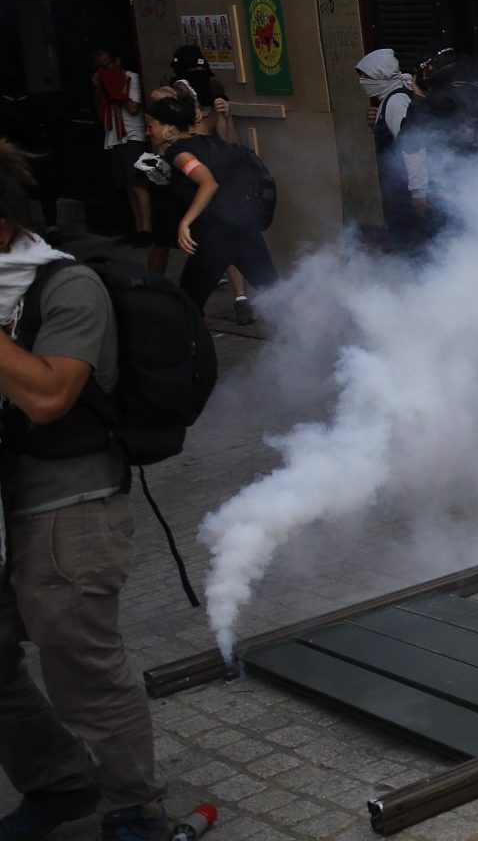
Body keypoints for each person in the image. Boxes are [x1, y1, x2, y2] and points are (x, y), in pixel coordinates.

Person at [0, 142, 173, 841]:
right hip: (4, 506)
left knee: (81, 669)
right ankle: (59, 782)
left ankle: (136, 808)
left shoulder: (66, 286)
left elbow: (48, 396)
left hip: (66, 506)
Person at [141, 94, 280, 317]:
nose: (148, 132)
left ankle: (196, 342)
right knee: (277, 292)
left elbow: (208, 183)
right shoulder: (206, 142)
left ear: (169, 128)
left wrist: (185, 223)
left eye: (151, 126)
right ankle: (325, 332)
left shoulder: (178, 153)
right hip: (244, 228)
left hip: (215, 237)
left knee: (189, 306)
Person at [356, 48, 432, 250]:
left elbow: (413, 148)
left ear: (379, 75)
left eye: (366, 76)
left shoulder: (396, 102)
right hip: (399, 188)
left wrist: (418, 191)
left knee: (412, 244)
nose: (362, 82)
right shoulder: (390, 99)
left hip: (405, 189)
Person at [91, 51, 148, 246]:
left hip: (133, 136)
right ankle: (137, 228)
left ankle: (146, 230)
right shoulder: (105, 83)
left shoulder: (131, 78)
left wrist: (113, 88)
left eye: (106, 66)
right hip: (115, 137)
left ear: (117, 61)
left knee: (137, 184)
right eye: (100, 68)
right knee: (128, 186)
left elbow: (133, 108)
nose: (104, 71)